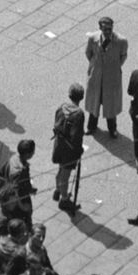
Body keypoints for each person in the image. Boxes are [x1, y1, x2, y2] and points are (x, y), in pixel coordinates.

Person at [84, 17, 128, 138]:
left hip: (111, 78)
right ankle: (91, 127)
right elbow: (88, 53)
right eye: (105, 29)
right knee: (94, 103)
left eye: (110, 29)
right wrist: (96, 66)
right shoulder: (93, 38)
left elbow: (123, 56)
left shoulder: (121, 41)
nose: (108, 31)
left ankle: (112, 129)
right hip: (96, 77)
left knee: (110, 106)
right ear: (100, 28)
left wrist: (113, 67)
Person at [51, 83, 87, 211]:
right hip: (69, 149)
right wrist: (79, 150)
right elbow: (77, 136)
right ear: (81, 97)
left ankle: (57, 190)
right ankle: (64, 199)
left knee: (60, 170)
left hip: (59, 145)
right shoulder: (79, 114)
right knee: (65, 175)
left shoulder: (61, 107)